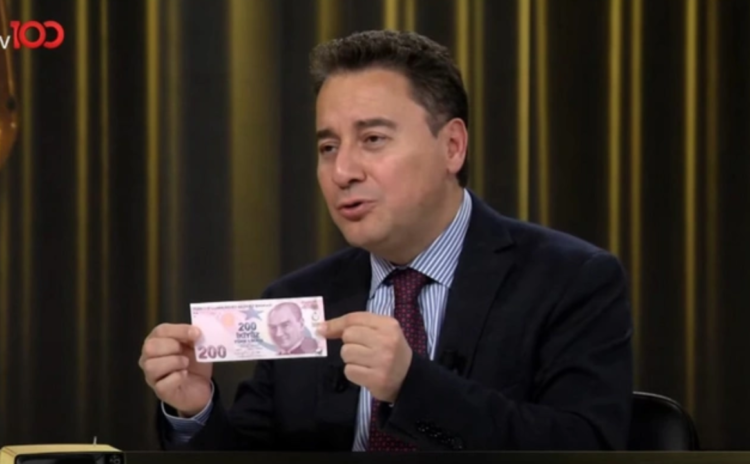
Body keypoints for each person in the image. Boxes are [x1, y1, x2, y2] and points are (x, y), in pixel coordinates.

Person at [139, 29, 633, 451]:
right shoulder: (296, 301)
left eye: (372, 139)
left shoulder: (570, 280)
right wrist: (195, 412)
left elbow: (587, 447)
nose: (343, 171)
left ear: (452, 146)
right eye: (328, 146)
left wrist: (412, 385)